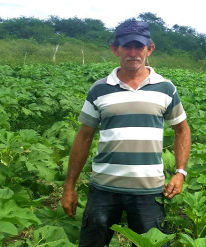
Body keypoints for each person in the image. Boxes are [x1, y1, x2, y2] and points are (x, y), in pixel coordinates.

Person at [61, 20, 191, 247]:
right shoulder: (99, 89)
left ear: (149, 49)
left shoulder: (165, 88)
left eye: (139, 47)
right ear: (115, 49)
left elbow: (182, 130)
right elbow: (84, 137)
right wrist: (69, 186)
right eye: (126, 46)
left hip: (148, 191)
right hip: (103, 189)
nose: (133, 53)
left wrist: (180, 172)